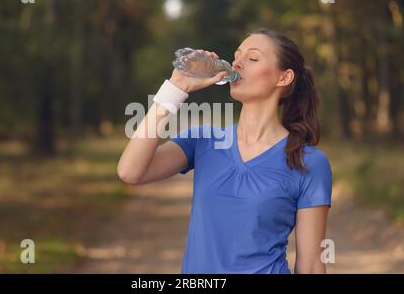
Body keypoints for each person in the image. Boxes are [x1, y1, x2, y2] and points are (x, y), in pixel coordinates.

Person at [117, 28, 333, 274]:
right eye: (236, 56)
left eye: (252, 59)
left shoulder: (308, 163)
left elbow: (312, 264)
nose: (237, 63)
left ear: (283, 78)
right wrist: (175, 88)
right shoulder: (202, 140)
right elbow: (130, 171)